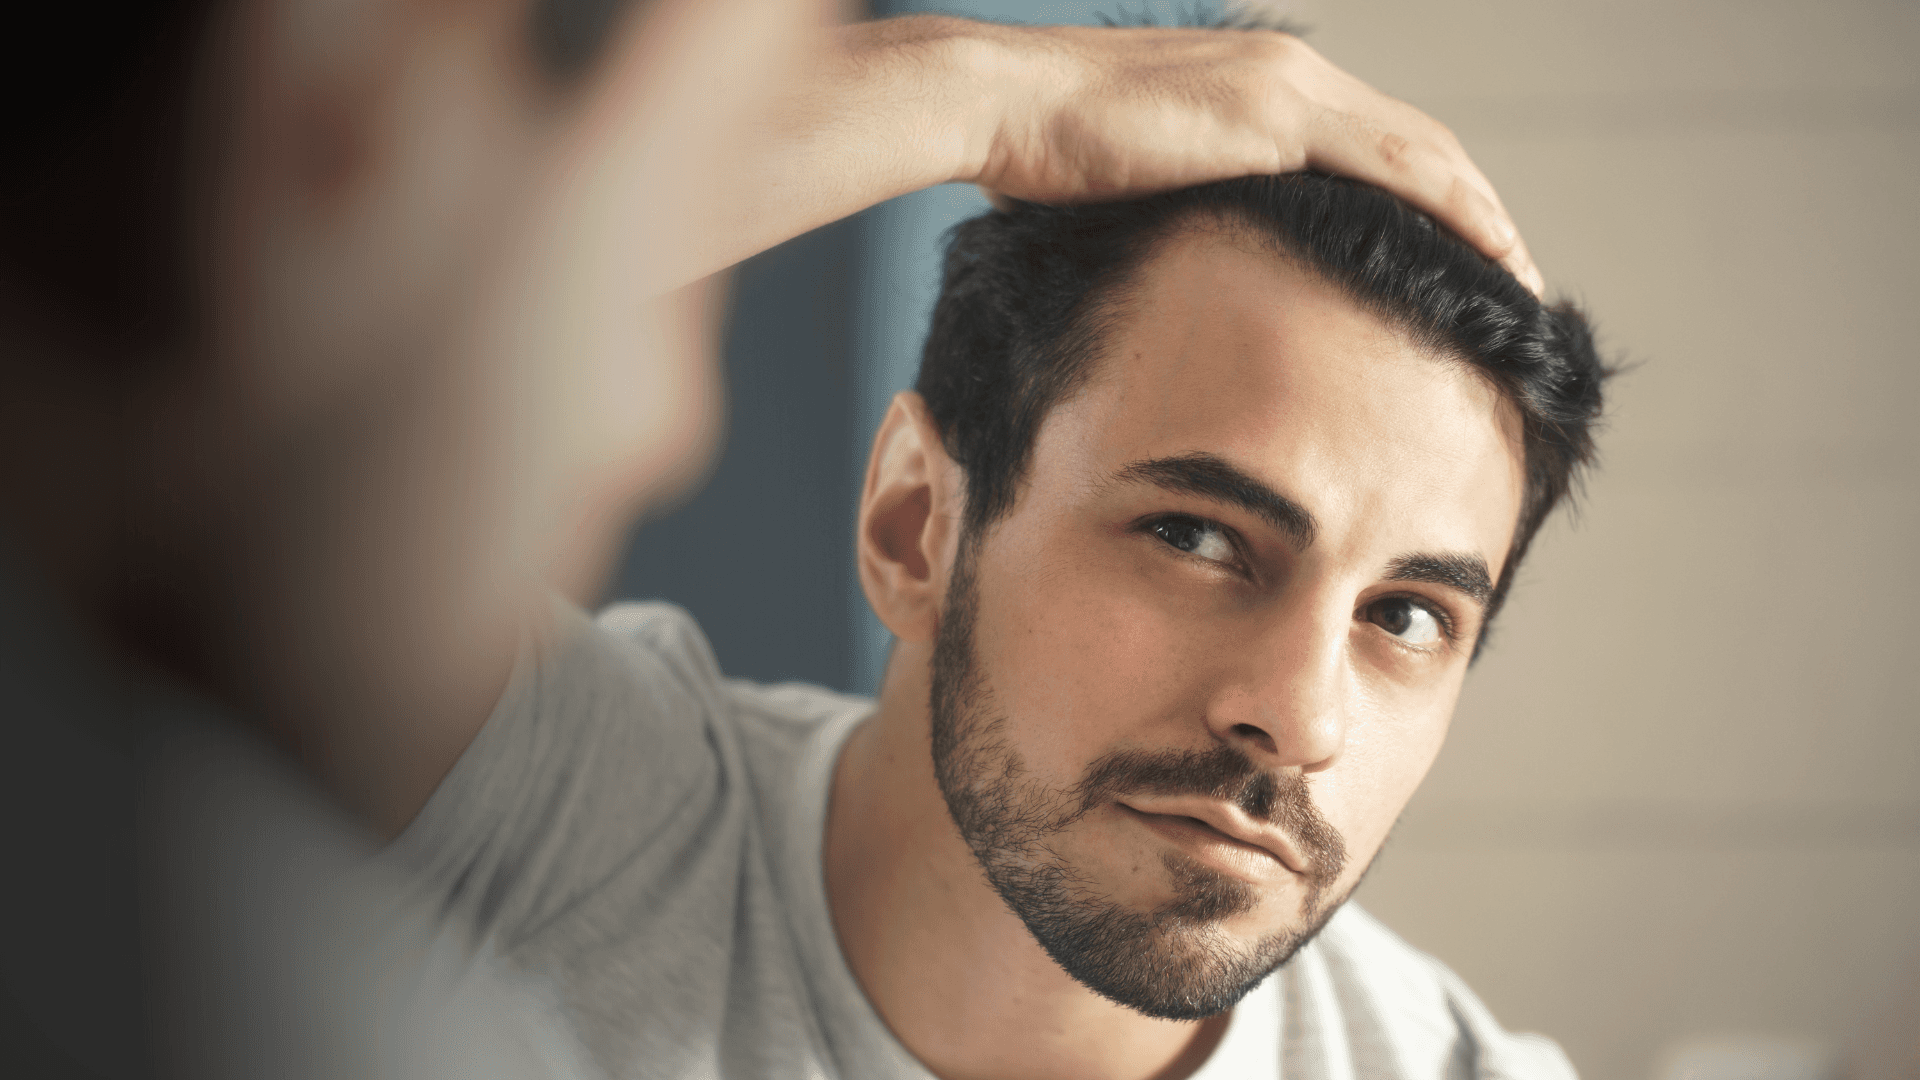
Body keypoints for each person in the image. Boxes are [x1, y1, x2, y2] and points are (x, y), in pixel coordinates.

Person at [0, 0, 1559, 1076]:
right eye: (1199, 535)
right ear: (912, 523)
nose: (1299, 712)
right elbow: (251, 366)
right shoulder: (545, 804)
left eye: (1410, 615)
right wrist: (1006, 92)